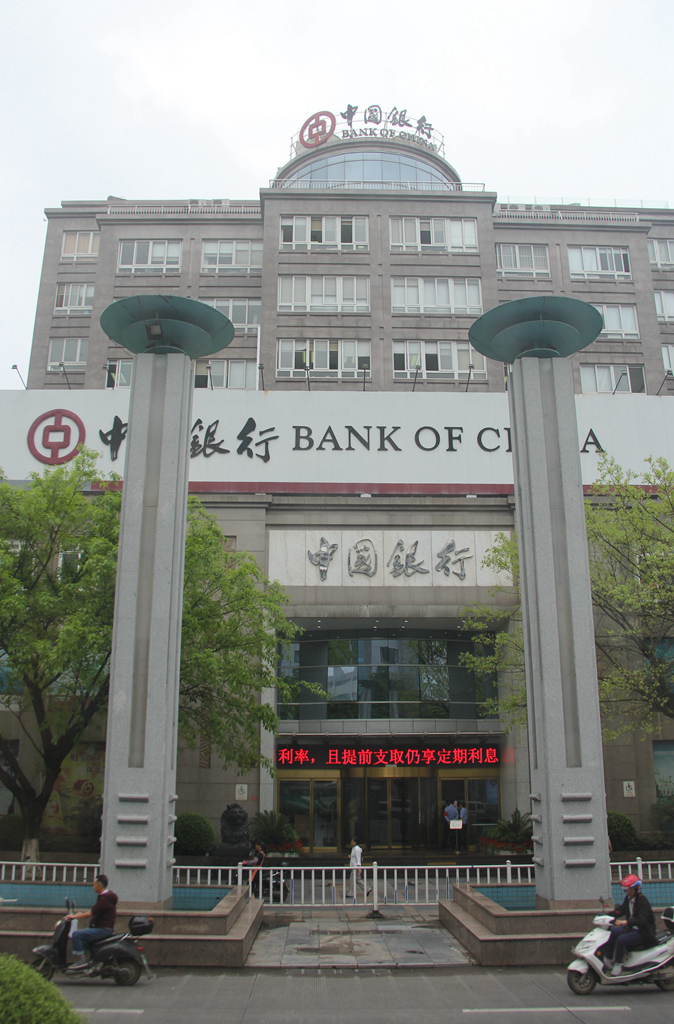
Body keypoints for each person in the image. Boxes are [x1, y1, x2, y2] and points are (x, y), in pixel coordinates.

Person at [602, 874, 656, 976]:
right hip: (632, 929)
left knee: (621, 939)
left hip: (643, 932)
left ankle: (618, 964)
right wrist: (608, 915)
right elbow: (621, 910)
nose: (626, 892)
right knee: (613, 932)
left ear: (636, 889)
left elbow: (640, 920)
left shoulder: (643, 901)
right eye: (625, 889)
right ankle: (608, 959)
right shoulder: (628, 899)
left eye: (628, 889)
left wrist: (625, 922)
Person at [65, 873, 118, 969]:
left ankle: (82, 960)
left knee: (76, 935)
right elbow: (95, 910)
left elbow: (91, 913)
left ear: (99, 886)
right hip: (102, 927)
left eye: (94, 885)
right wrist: (79, 914)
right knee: (84, 939)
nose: (93, 887)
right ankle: (88, 961)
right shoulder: (106, 897)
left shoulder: (104, 899)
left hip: (103, 929)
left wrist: (74, 916)